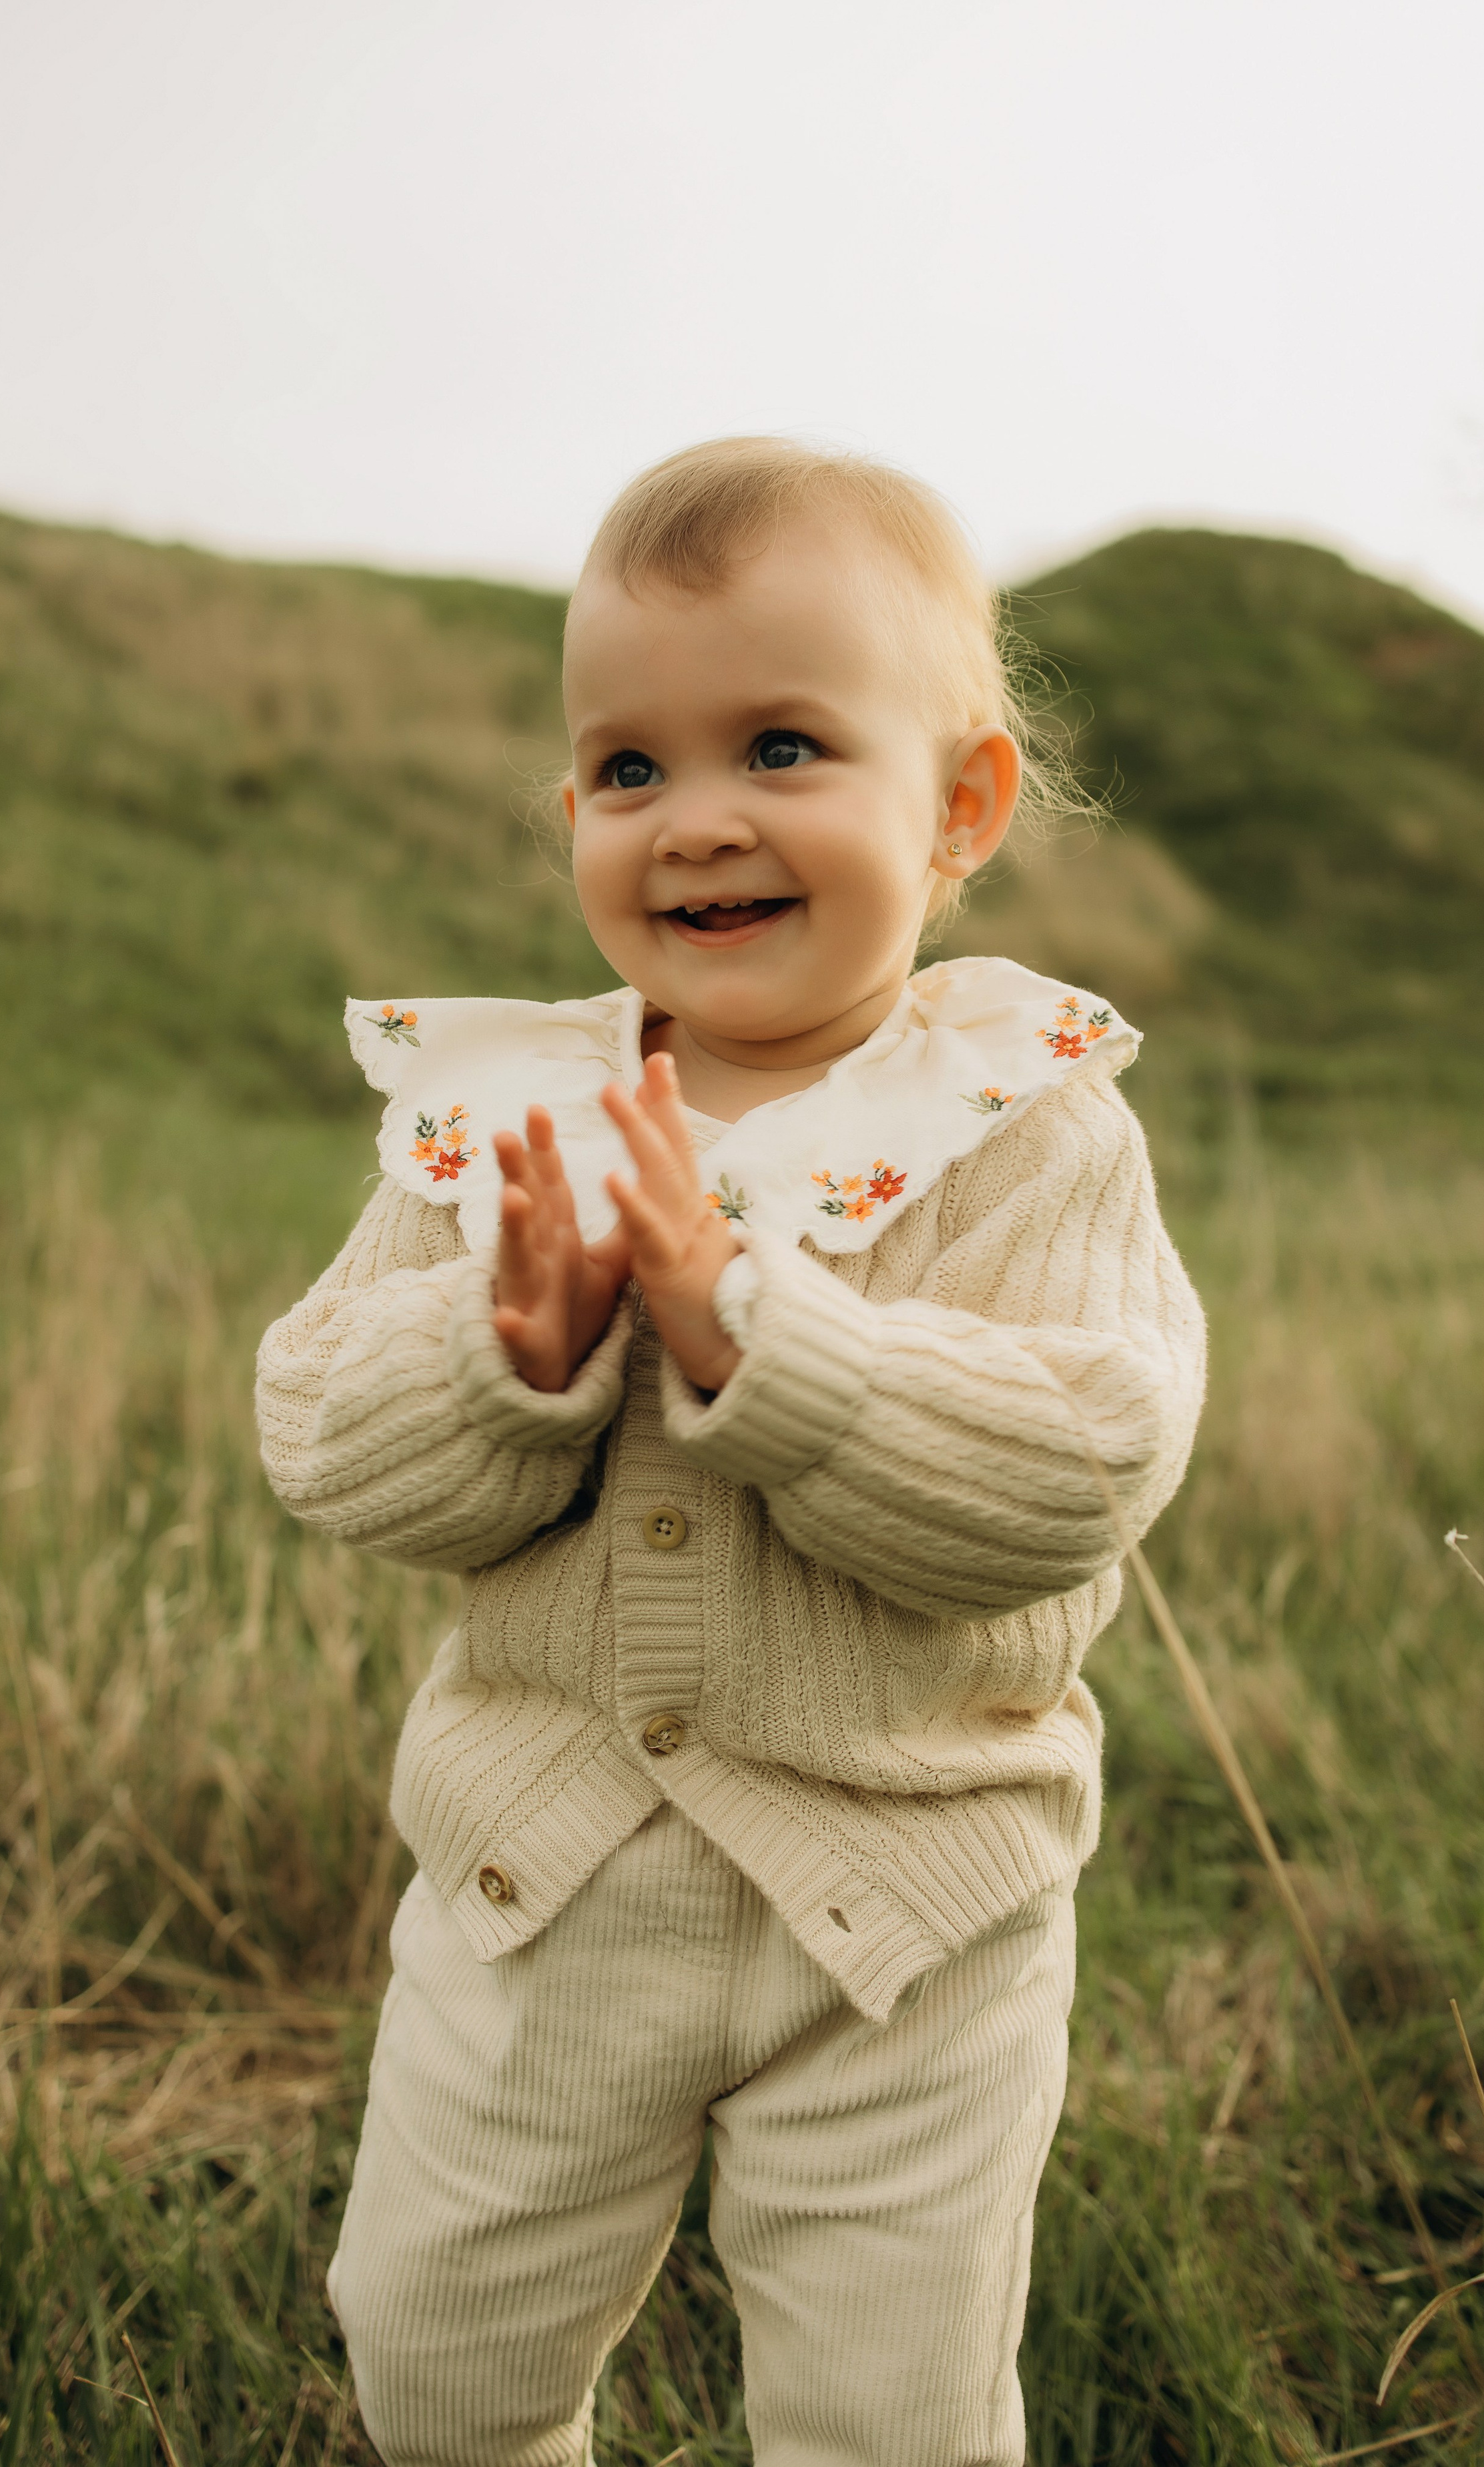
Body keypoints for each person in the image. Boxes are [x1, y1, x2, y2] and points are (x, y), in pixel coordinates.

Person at [256, 437, 1207, 2467]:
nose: (697, 825)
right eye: (628, 769)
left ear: (959, 806)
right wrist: (507, 1356)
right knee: (436, 2347)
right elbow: (324, 1434)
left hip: (912, 1904)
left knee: (893, 2408)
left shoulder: (1026, 1121)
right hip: (547, 1881)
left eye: (781, 746)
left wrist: (751, 1336)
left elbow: (1080, 1463)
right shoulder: (507, 1121)